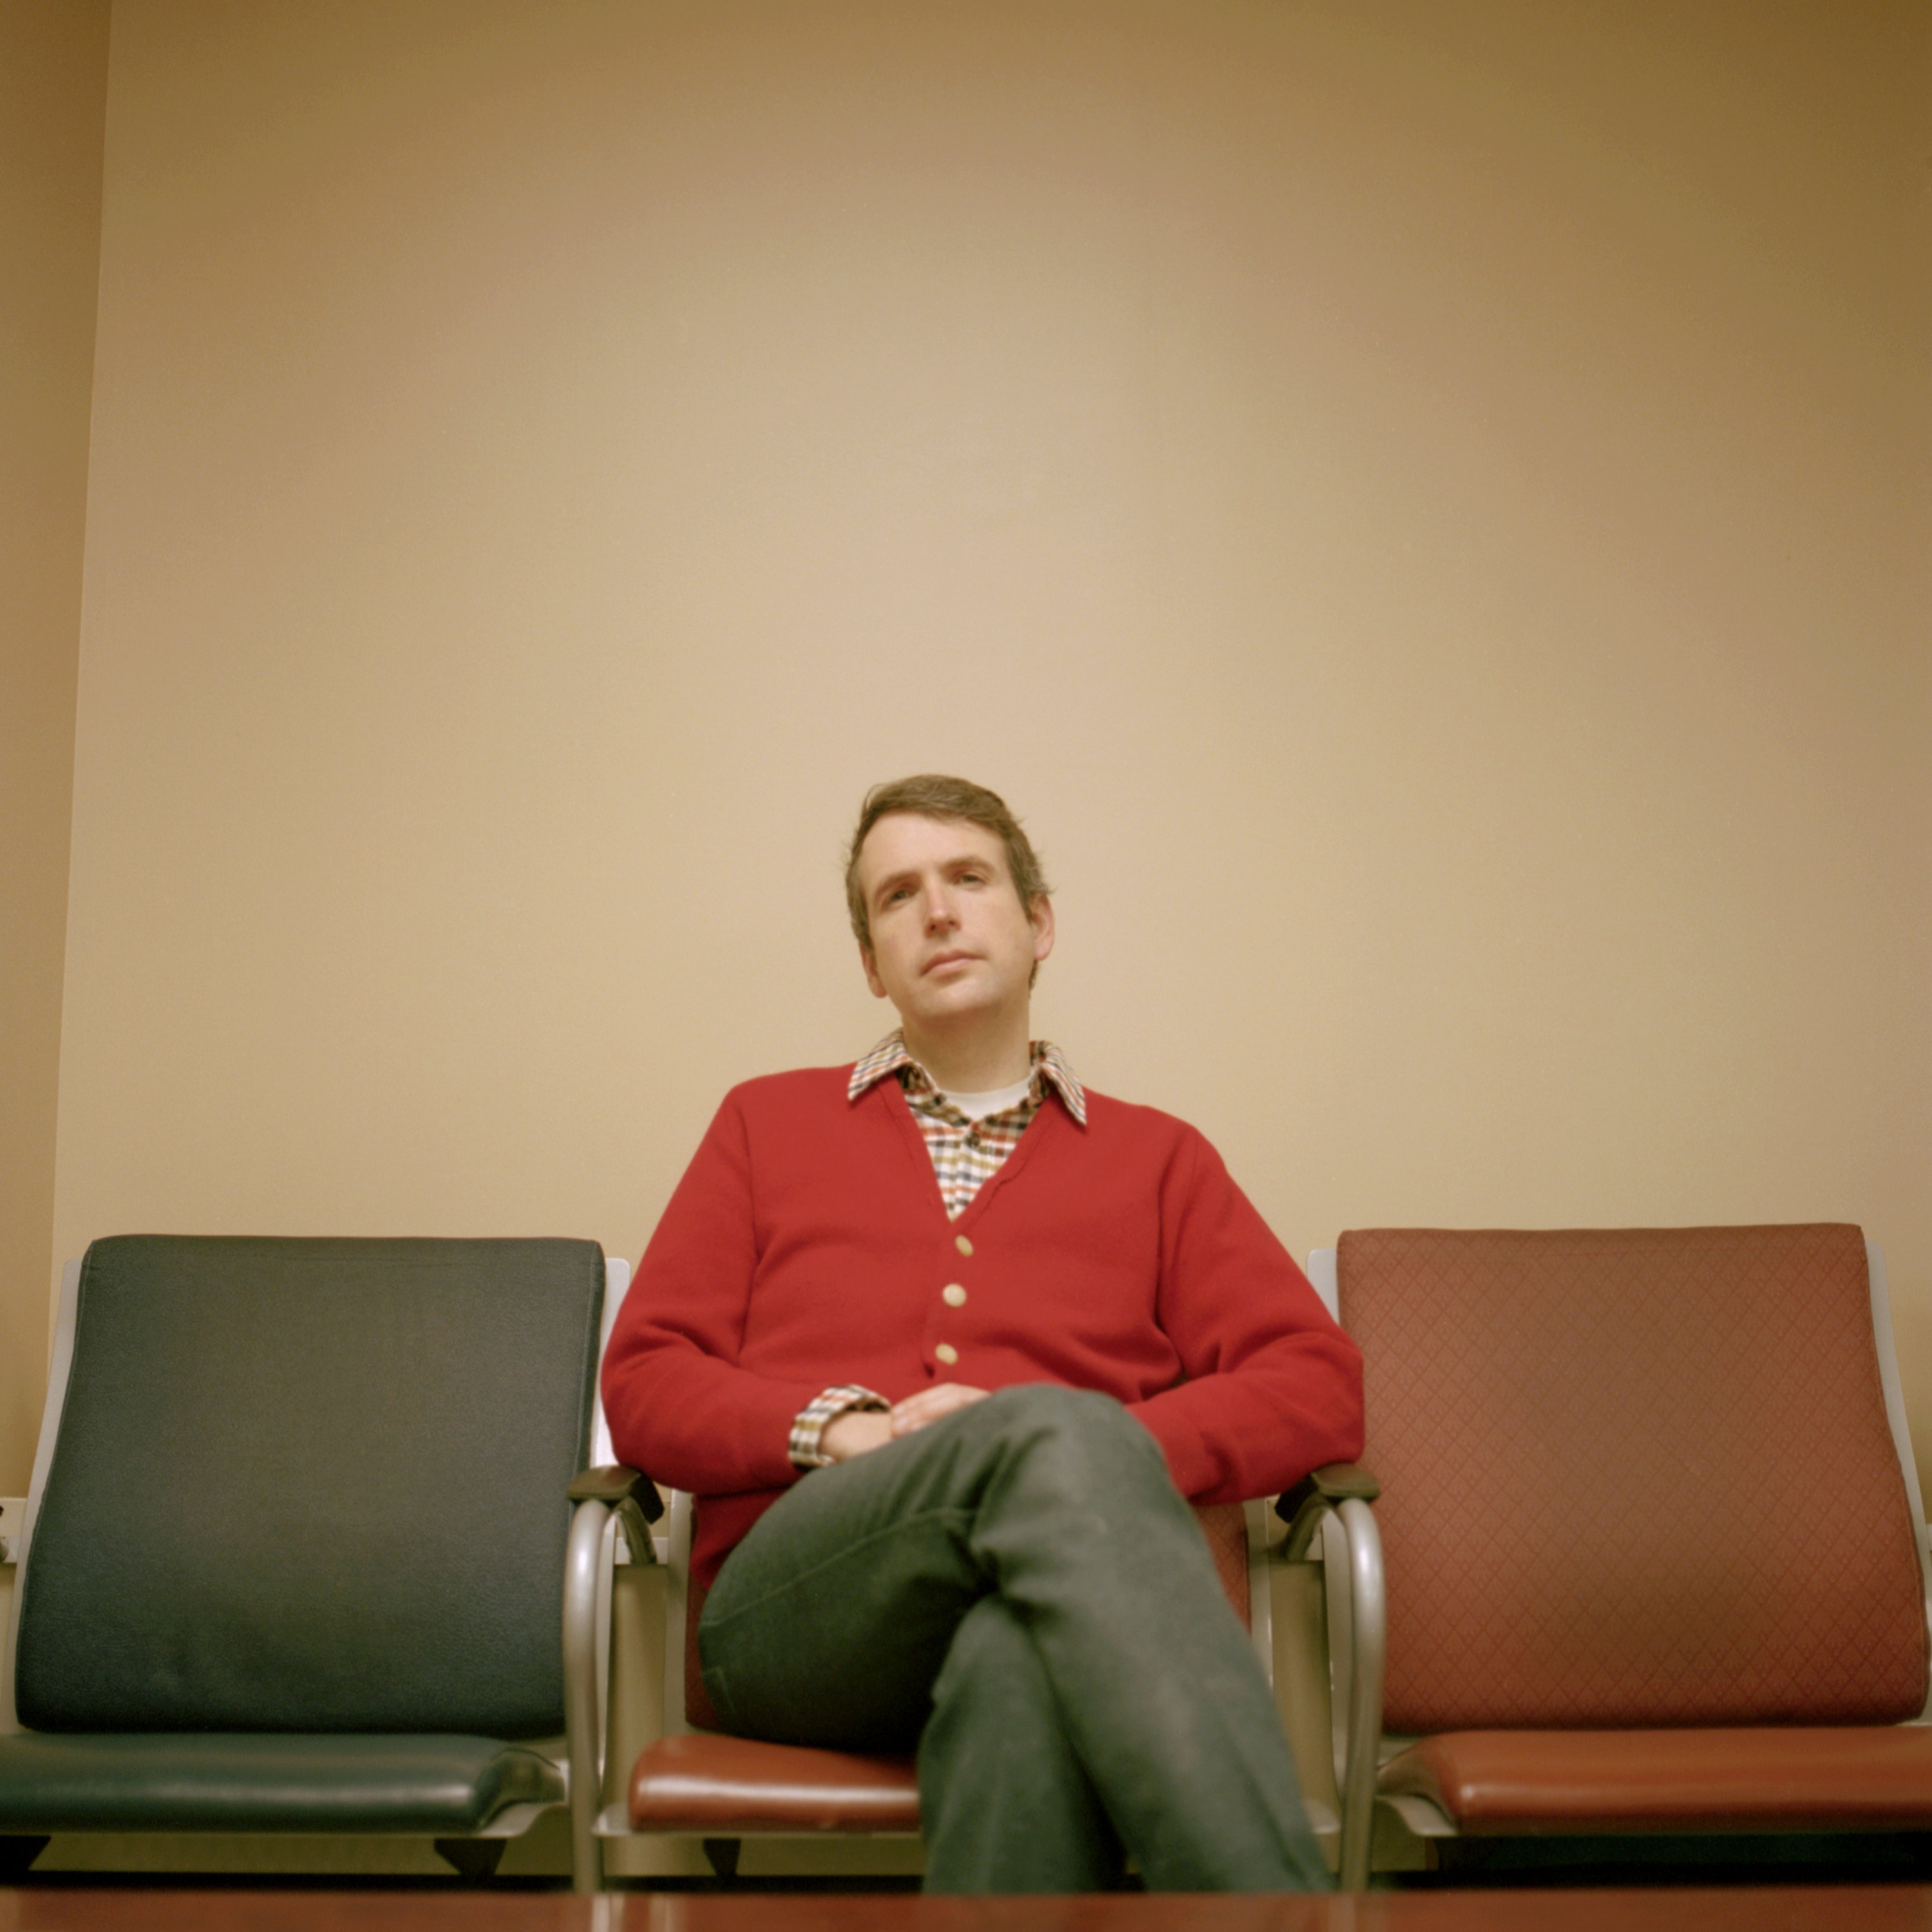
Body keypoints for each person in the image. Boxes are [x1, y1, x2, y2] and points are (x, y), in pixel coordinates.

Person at [601, 775, 1363, 1893]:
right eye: (897, 896)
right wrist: (848, 1432)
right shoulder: (763, 1124)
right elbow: (647, 1379)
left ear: (1039, 923)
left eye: (968, 878)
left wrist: (1085, 1451)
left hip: (1060, 1614)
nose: (939, 912)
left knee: (1016, 1664)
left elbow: (1314, 1383)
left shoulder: (1161, 1160)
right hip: (797, 1623)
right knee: (1050, 1447)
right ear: (873, 964)